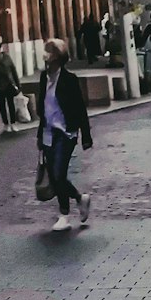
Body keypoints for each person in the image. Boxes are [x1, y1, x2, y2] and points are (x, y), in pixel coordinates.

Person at [36, 38, 92, 232]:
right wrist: (39, 137)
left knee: (59, 173)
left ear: (58, 58)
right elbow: (42, 109)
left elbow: (80, 108)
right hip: (48, 132)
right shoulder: (44, 78)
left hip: (65, 133)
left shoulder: (69, 79)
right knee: (54, 175)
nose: (46, 58)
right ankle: (79, 198)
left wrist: (86, 135)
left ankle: (64, 214)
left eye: (49, 53)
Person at [0, 40, 21, 132]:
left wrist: (18, 84)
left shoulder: (7, 57)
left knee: (11, 104)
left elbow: (14, 71)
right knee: (2, 106)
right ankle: (6, 124)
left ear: (0, 49)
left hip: (9, 84)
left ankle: (13, 123)